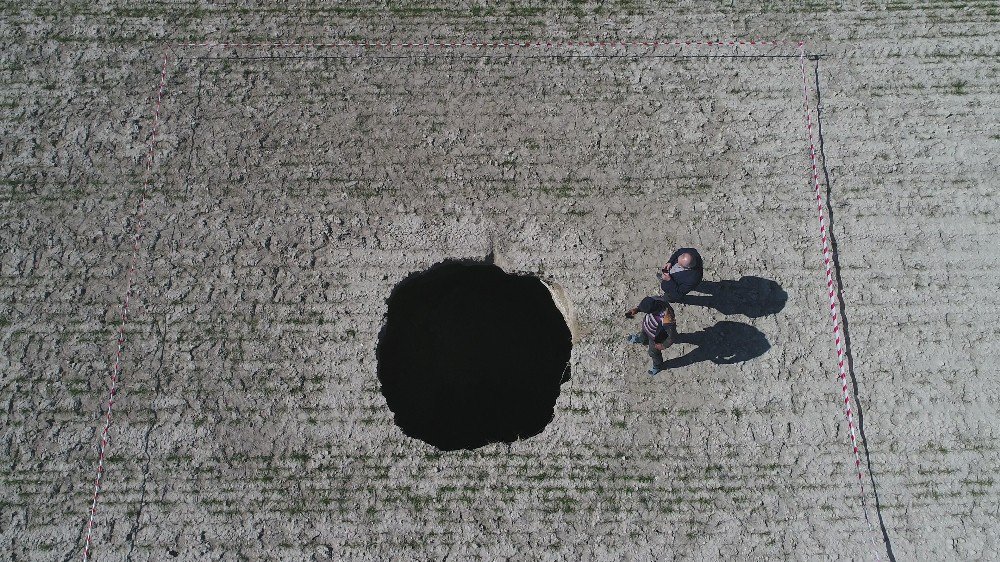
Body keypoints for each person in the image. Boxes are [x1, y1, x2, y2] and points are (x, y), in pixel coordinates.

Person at [625, 296, 678, 375]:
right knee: (643, 337)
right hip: (647, 328)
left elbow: (671, 336)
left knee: (653, 352)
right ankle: (641, 340)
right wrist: (638, 309)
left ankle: (658, 366)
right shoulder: (655, 300)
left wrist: (663, 345)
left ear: (653, 311)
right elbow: (646, 304)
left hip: (656, 337)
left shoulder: (667, 319)